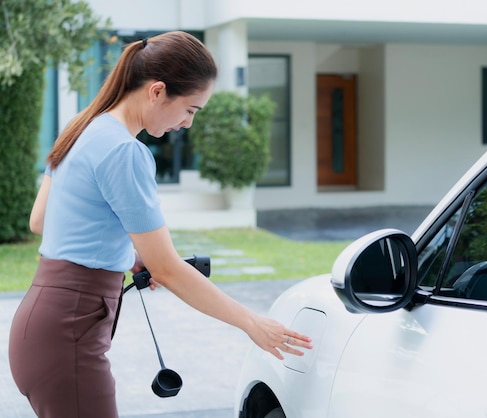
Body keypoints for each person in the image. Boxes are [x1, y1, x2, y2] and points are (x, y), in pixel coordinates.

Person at [8, 31, 312, 418]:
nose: (186, 123)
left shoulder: (83, 128)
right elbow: (168, 269)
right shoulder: (125, 152)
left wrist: (126, 255)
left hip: (39, 326)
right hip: (68, 334)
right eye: (190, 109)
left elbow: (41, 221)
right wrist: (252, 323)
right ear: (156, 91)